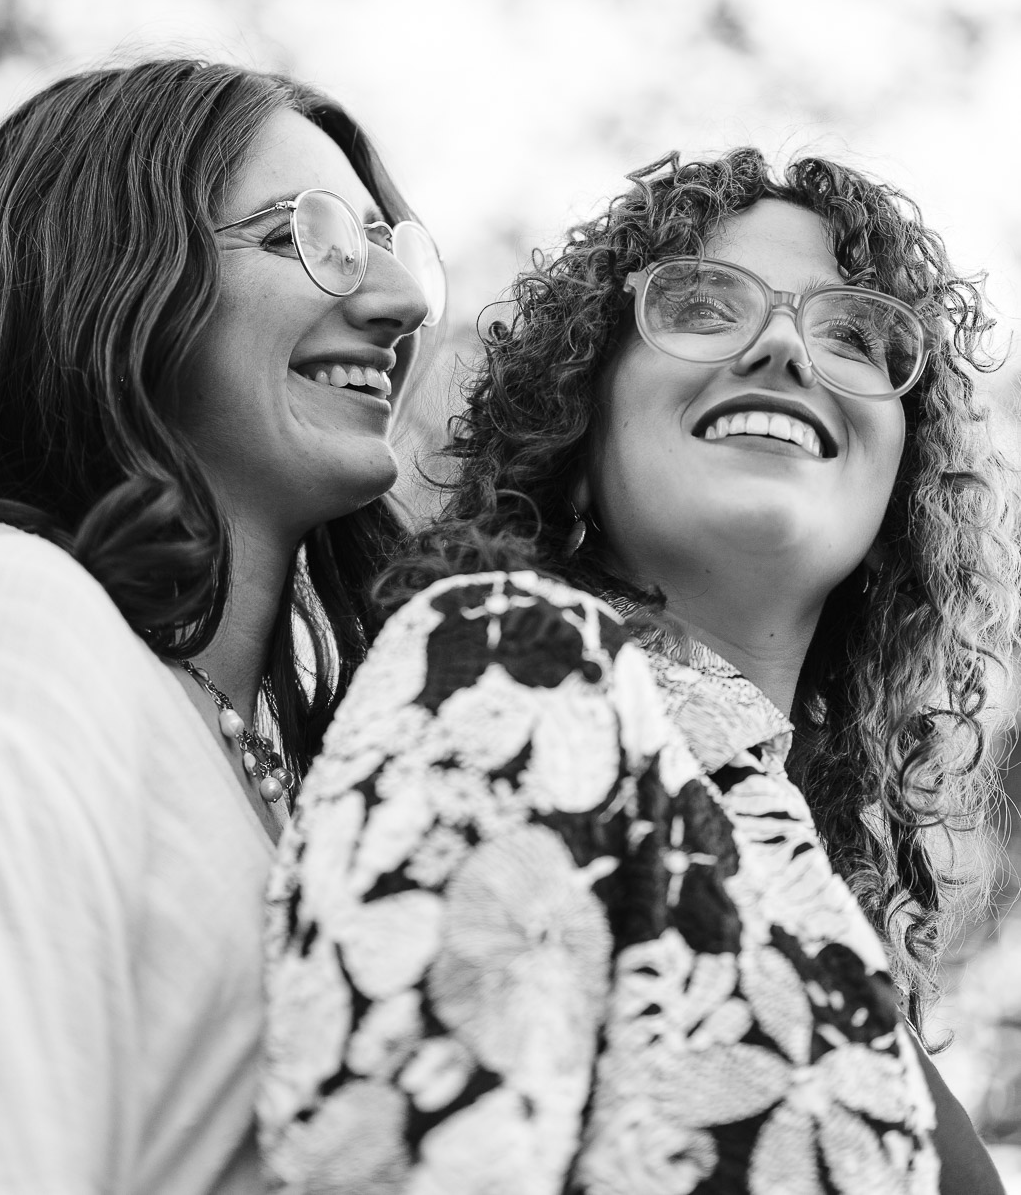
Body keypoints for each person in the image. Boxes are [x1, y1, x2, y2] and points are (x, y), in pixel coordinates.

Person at [260, 148, 1015, 1194]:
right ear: (579, 413)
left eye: (854, 331)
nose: (789, 346)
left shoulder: (795, 874)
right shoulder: (508, 663)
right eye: (705, 305)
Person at [0, 56, 444, 1193]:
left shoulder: (304, 772)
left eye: (392, 244)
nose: (400, 300)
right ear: (108, 272)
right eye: (318, 235)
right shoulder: (9, 618)